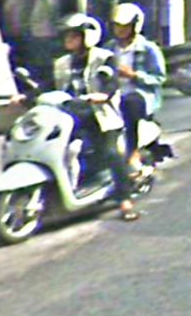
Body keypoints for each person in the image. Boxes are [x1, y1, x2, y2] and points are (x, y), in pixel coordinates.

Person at [53, 13, 139, 221]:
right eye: (66, 36)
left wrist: (103, 94)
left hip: (101, 116)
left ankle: (125, 201)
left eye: (73, 36)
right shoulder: (62, 63)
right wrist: (24, 97)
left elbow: (110, 81)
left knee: (111, 153)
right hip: (72, 115)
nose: (68, 40)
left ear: (87, 36)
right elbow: (50, 87)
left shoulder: (103, 57)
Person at [105, 2, 166, 174]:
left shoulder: (148, 48)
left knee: (129, 105)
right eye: (117, 26)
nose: (120, 30)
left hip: (141, 94)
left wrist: (133, 75)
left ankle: (132, 153)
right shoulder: (109, 48)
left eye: (125, 26)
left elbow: (159, 77)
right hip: (112, 93)